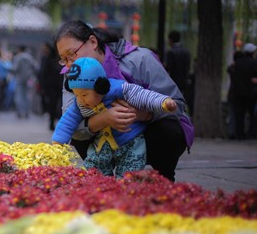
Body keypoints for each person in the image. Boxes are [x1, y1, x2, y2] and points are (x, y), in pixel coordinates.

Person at [54, 20, 193, 182]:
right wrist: (104, 118)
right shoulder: (73, 74)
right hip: (104, 141)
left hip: (141, 133)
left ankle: (164, 178)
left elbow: (177, 105)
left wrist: (142, 115)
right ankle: (100, 181)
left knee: (169, 130)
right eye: (64, 59)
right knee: (79, 137)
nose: (70, 64)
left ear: (93, 42)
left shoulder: (139, 58)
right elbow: (70, 121)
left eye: (72, 54)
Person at [53, 57, 177, 178]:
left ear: (100, 86)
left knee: (129, 177)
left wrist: (163, 102)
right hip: (101, 145)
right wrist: (58, 143)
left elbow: (142, 96)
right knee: (93, 173)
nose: (80, 99)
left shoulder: (119, 88)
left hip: (130, 143)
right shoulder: (79, 104)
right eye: (77, 95)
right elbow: (67, 121)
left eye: (84, 94)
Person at [227, 43, 257, 139]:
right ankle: (251, 133)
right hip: (250, 93)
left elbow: (230, 70)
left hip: (237, 93)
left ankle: (239, 134)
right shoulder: (253, 63)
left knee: (239, 114)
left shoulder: (237, 63)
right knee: (251, 114)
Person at [164, 30, 193, 115]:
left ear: (171, 40)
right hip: (184, 83)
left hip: (173, 82)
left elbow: (168, 67)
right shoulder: (186, 52)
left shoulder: (170, 52)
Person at [38, 43, 64, 130]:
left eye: (45, 48)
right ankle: (52, 123)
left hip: (58, 85)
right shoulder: (45, 58)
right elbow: (42, 74)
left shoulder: (57, 58)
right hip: (51, 86)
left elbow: (43, 73)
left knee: (61, 104)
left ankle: (59, 123)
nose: (43, 50)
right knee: (52, 105)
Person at [12, 45, 39, 118]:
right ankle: (27, 112)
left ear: (19, 49)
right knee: (28, 96)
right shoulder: (30, 57)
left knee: (19, 96)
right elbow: (36, 67)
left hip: (19, 79)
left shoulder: (17, 57)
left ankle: (20, 112)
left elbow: (15, 69)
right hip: (29, 80)